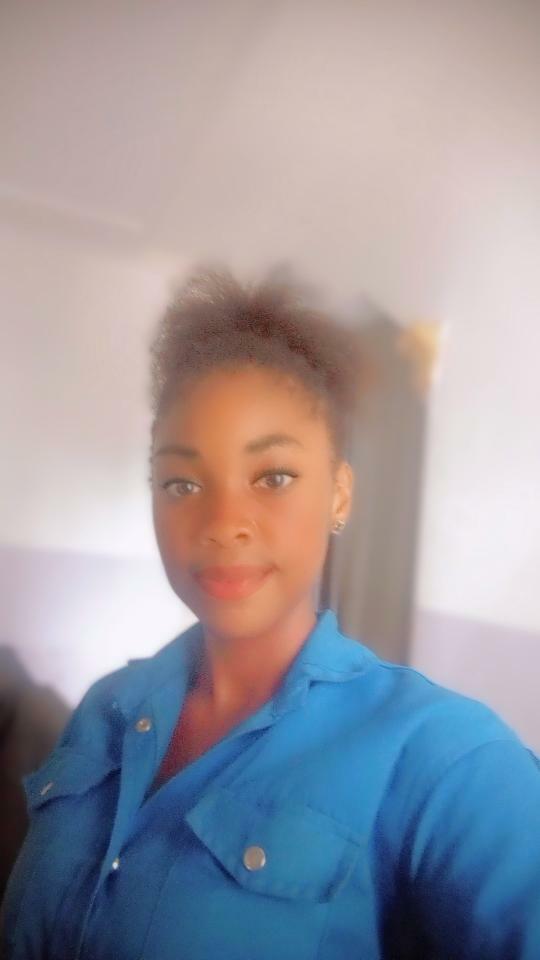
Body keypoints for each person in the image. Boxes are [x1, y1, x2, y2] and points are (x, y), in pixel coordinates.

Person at [2, 267, 539, 960]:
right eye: (182, 482)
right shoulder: (107, 710)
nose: (223, 522)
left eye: (274, 477)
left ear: (339, 494)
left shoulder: (444, 759)